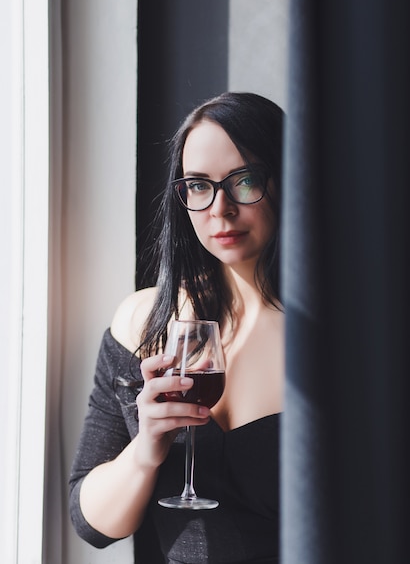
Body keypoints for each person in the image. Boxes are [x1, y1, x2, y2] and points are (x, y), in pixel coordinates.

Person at [69, 91, 285, 563]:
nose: (220, 209)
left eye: (244, 181)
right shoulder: (144, 322)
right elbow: (92, 525)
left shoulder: (341, 339)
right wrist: (146, 448)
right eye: (199, 185)